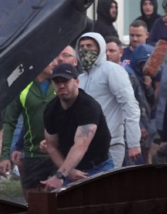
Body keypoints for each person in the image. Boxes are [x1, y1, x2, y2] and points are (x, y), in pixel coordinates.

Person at [41, 63, 113, 191]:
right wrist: (68, 171)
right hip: (69, 169)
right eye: (57, 82)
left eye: (66, 81)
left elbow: (80, 146)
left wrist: (60, 174)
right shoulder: (50, 110)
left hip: (99, 166)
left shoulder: (88, 106)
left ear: (77, 82)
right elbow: (51, 147)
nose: (61, 85)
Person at [76, 32, 141, 168]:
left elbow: (130, 105)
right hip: (85, 148)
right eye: (81, 46)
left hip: (111, 145)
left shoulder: (112, 70)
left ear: (100, 48)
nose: (84, 50)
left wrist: (134, 142)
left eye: (89, 46)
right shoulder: (80, 79)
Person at [0, 60, 57, 199]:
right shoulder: (22, 86)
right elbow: (9, 122)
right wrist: (5, 155)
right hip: (32, 155)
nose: (55, 63)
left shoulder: (61, 83)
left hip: (58, 155)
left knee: (58, 205)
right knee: (34, 206)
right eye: (50, 59)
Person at [106, 36, 154, 164]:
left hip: (129, 132)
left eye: (112, 51)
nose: (108, 54)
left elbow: (136, 102)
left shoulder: (126, 73)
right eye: (105, 51)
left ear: (121, 53)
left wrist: (140, 125)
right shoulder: (101, 75)